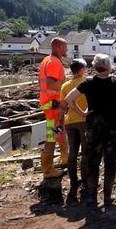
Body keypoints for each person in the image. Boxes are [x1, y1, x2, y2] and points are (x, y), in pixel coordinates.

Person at [63, 53, 116, 208]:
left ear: (94, 67)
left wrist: (82, 113)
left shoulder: (88, 82)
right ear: (109, 67)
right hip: (113, 127)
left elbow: (69, 99)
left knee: (93, 161)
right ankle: (108, 197)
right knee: (110, 160)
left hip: (94, 127)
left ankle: (92, 197)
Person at [58, 58, 88, 204]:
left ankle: (73, 182)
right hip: (84, 121)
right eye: (85, 68)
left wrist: (59, 122)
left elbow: (62, 106)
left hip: (70, 122)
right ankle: (85, 183)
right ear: (81, 69)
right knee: (86, 152)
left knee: (72, 152)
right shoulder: (87, 82)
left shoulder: (65, 85)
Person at [39, 37, 68, 179]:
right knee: (51, 136)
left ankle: (65, 160)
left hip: (51, 105)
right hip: (53, 106)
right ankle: (48, 170)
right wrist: (67, 87)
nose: (67, 49)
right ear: (58, 47)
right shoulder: (54, 62)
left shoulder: (47, 60)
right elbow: (51, 84)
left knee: (60, 131)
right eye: (65, 47)